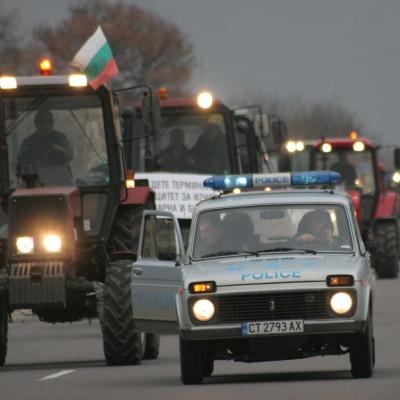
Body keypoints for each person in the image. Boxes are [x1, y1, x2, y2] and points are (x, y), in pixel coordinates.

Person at [18, 109, 73, 178]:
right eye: (41, 121)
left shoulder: (60, 138)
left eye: (47, 120)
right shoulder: (28, 142)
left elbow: (70, 155)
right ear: (35, 123)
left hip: (60, 180)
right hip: (36, 181)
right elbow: (22, 161)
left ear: (52, 122)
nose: (44, 124)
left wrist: (60, 150)